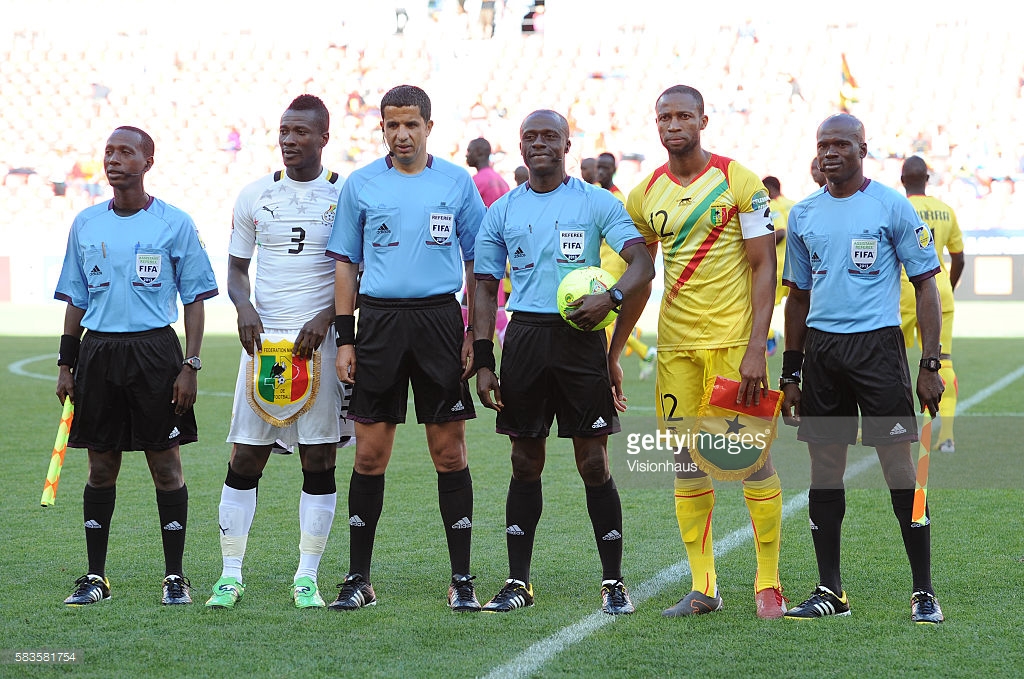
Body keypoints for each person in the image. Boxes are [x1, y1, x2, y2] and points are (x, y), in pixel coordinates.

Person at [471, 109, 655, 615]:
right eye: (530, 137)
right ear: (521, 146)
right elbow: (485, 286)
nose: (539, 144)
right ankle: (517, 582)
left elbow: (642, 263)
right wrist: (485, 357)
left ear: (567, 144)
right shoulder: (502, 211)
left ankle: (613, 581)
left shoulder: (596, 203)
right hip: (526, 338)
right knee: (524, 460)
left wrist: (611, 299)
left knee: (593, 461)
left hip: (580, 340)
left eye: (549, 136)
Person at [625, 85, 786, 619]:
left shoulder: (738, 181)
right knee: (685, 460)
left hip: (733, 346)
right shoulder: (644, 193)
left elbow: (764, 265)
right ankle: (704, 587)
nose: (673, 125)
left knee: (750, 460)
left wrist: (757, 347)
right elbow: (641, 273)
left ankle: (768, 582)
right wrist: (613, 345)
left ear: (703, 121)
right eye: (664, 116)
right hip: (676, 348)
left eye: (683, 116)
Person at [780, 113, 945, 624]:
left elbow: (925, 286)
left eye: (841, 145)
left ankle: (923, 591)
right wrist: (791, 373)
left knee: (900, 468)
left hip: (878, 352)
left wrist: (931, 363)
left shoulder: (891, 207)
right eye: (823, 144)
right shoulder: (803, 214)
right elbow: (798, 299)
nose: (831, 153)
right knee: (824, 470)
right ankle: (831, 591)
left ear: (862, 149)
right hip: (823, 356)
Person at [326, 85, 485, 612]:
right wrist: (345, 339)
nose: (402, 134)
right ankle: (357, 577)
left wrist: (471, 333)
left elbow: (477, 263)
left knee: (449, 451)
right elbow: (345, 264)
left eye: (411, 124)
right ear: (382, 128)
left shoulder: (456, 183)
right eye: (392, 124)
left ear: (429, 128)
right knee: (370, 454)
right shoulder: (362, 184)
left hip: (441, 320)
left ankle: (462, 578)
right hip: (379, 324)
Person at [54, 126, 218, 606]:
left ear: (148, 161)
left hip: (154, 354)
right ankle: (94, 578)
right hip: (99, 353)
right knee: (100, 467)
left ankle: (175, 578)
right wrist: (67, 363)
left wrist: (190, 364)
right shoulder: (85, 223)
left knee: (166, 467)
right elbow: (76, 300)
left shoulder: (174, 222)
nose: (114, 159)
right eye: (109, 151)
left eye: (126, 152)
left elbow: (194, 299)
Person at [205, 95, 350, 611]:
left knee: (319, 458)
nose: (289, 140)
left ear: (323, 138)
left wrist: (328, 317)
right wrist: (243, 306)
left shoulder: (344, 195)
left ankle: (306, 576)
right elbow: (237, 271)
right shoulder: (254, 195)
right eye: (284, 131)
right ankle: (229, 574)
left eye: (301, 133)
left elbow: (356, 272)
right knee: (245, 455)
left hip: (321, 346)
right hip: (263, 347)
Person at [898, 156, 964, 453]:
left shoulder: (897, 207)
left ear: (903, 180)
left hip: (902, 294)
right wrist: (947, 285)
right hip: (939, 294)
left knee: (885, 361)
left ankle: (888, 427)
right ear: (928, 178)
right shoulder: (946, 210)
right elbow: (958, 256)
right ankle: (946, 436)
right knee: (944, 362)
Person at [596, 151, 657, 379]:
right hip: (601, 265)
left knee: (604, 315)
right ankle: (642, 351)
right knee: (604, 318)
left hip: (613, 265)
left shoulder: (617, 198)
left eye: (605, 167)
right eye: (598, 167)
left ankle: (640, 351)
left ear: (613, 170)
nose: (600, 171)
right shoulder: (599, 194)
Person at [763, 175, 795, 356]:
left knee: (763, 305)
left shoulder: (773, 206)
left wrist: (758, 244)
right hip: (796, 264)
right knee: (797, 305)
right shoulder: (794, 204)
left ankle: (770, 335)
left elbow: (780, 232)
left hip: (779, 265)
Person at [466, 137, 510, 208]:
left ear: (479, 153)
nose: (466, 155)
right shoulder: (502, 181)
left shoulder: (475, 181)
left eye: (469, 151)